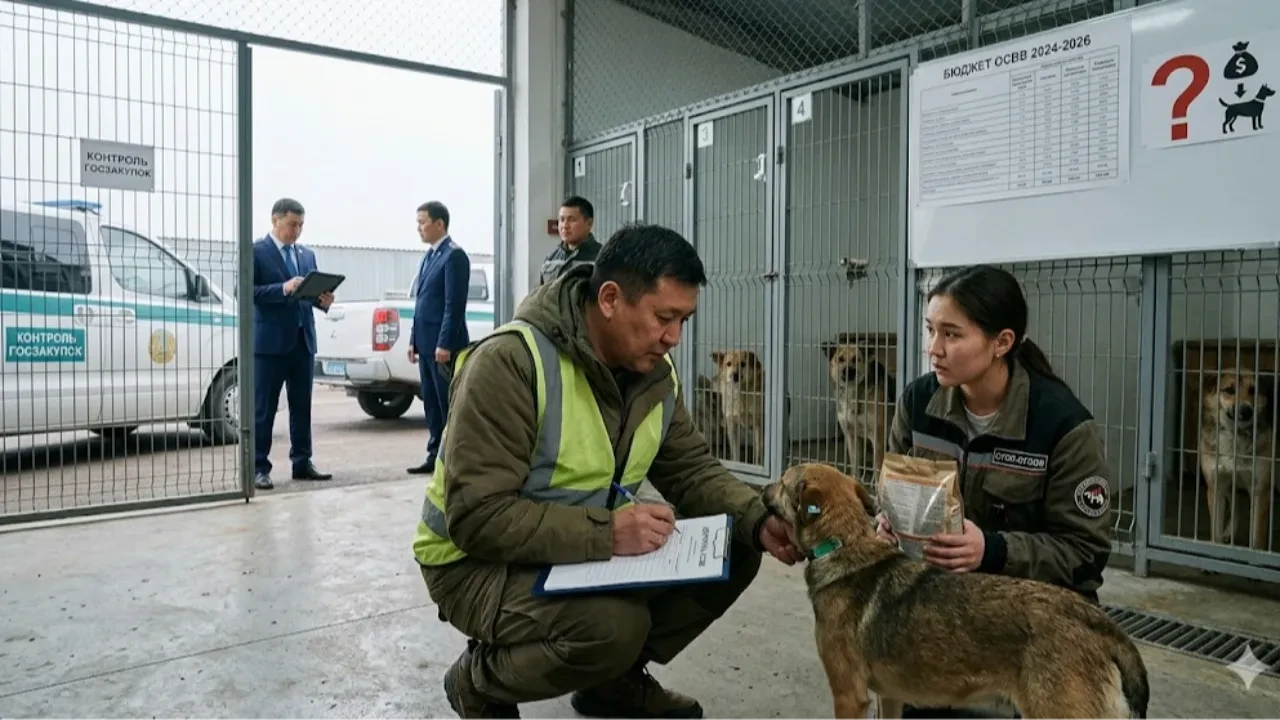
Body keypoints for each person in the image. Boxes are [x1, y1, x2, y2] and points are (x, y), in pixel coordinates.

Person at [412, 223, 803, 720]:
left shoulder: (654, 375)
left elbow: (692, 470)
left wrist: (758, 519)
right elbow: (478, 518)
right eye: (664, 317)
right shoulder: (511, 363)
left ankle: (612, 683)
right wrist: (608, 533)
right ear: (611, 299)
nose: (674, 338)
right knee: (611, 627)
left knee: (735, 545)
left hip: (576, 550)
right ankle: (479, 682)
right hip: (474, 565)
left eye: (684, 320)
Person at [878, 264, 1113, 720]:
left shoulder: (1062, 425)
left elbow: (1084, 553)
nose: (933, 349)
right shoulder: (918, 403)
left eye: (951, 334)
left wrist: (992, 550)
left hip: (1032, 619)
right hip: (939, 604)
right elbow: (889, 491)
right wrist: (889, 524)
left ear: (1001, 342)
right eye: (930, 330)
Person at [251, 198, 334, 490]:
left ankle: (302, 462)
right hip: (270, 345)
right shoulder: (255, 252)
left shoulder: (306, 255)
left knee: (302, 406)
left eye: (300, 225)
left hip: (302, 341)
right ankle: (258, 467)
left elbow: (309, 297)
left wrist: (323, 301)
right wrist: (283, 288)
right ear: (275, 221)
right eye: (291, 225)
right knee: (264, 408)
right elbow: (247, 292)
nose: (296, 231)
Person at [407, 201, 471, 476]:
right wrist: (413, 340)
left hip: (444, 347)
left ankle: (453, 459)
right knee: (431, 404)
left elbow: (453, 305)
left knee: (447, 405)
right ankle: (434, 455)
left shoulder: (454, 256)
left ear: (439, 223)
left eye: (422, 222)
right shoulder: (429, 256)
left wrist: (444, 343)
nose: (419, 228)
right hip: (425, 344)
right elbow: (422, 303)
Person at [539, 195, 602, 285]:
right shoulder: (551, 258)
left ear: (589, 223)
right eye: (562, 220)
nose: (565, 226)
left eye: (571, 220)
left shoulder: (601, 258)